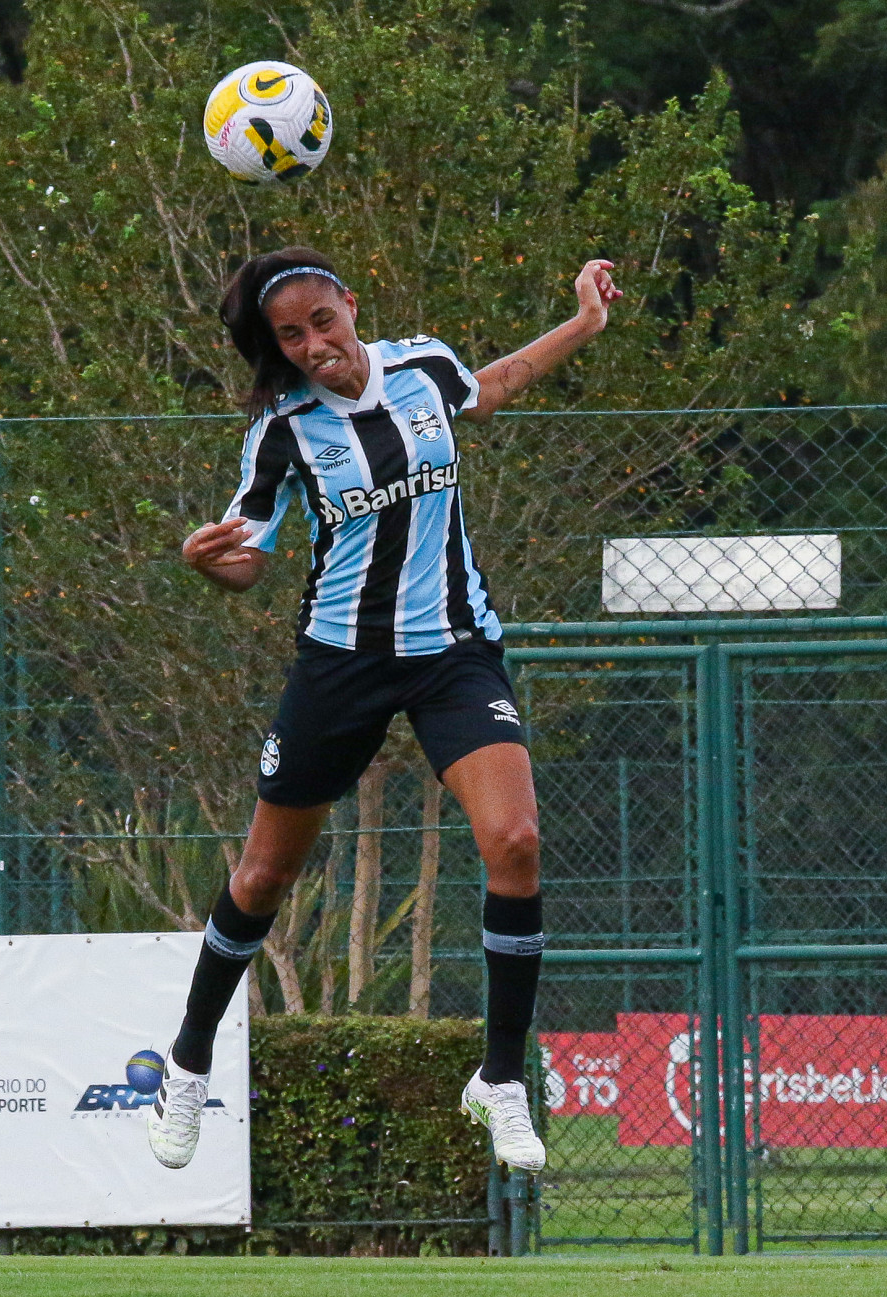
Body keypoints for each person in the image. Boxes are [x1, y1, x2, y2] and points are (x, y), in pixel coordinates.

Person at [149, 249, 623, 1175]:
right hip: (341, 664)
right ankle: (189, 1059)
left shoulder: (423, 369)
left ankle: (501, 1077)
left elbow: (493, 384)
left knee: (516, 839)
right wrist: (207, 561)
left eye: (323, 321)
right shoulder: (282, 430)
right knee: (261, 878)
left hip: (453, 651)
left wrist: (585, 324)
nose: (314, 345)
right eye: (291, 336)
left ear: (350, 307)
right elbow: (246, 558)